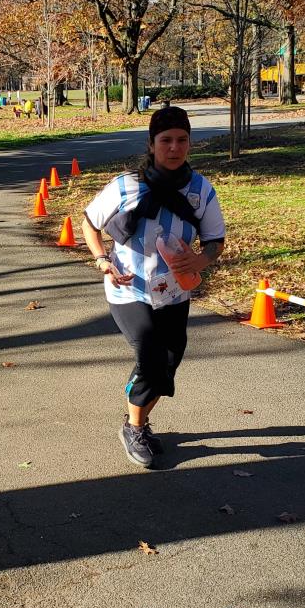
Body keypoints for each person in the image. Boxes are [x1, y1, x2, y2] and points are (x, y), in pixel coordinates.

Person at [81, 105, 226, 468]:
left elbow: (215, 241)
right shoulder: (126, 185)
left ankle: (137, 414)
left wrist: (200, 261)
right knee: (150, 354)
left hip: (174, 291)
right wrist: (102, 261)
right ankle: (135, 428)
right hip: (128, 288)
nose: (174, 148)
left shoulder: (200, 189)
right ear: (151, 144)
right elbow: (89, 223)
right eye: (166, 140)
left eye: (182, 140)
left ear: (189, 143)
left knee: (169, 361)